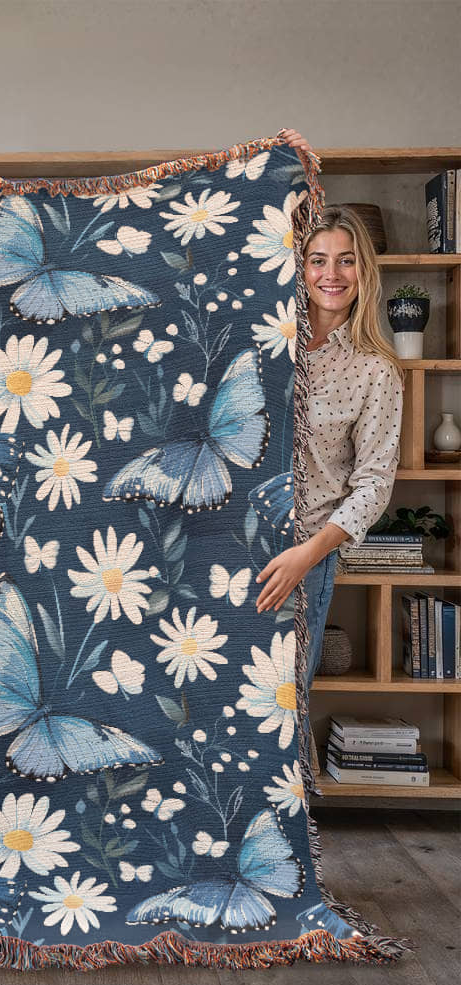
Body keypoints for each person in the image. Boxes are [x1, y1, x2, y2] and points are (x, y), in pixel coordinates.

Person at [256, 130, 404, 694]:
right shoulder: (262, 343)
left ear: (363, 271)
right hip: (229, 537)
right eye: (317, 260)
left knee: (283, 701)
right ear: (299, 265)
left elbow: (374, 483)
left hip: (306, 554)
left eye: (346, 261)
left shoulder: (375, 369)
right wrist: (281, 155)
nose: (331, 274)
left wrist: (307, 556)